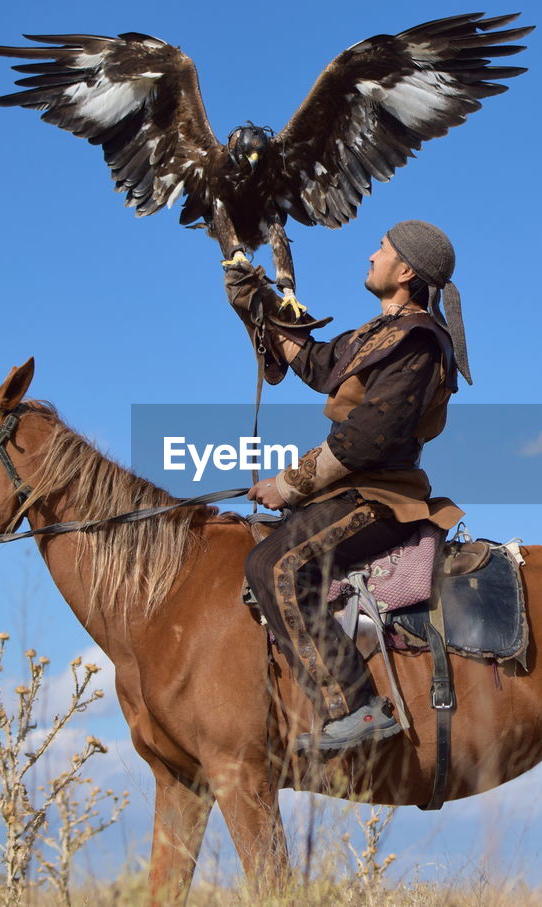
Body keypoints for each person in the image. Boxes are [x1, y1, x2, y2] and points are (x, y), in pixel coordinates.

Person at [223, 220, 470, 755]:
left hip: (382, 498)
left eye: (382, 249)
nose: (371, 254)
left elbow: (365, 440)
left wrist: (287, 486)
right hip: (346, 493)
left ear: (405, 271)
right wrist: (260, 302)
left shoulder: (420, 342)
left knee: (276, 567)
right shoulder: (376, 333)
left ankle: (353, 706)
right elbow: (314, 362)